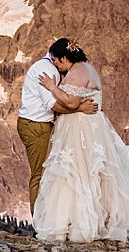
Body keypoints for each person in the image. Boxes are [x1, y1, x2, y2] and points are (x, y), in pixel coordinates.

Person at [30, 41, 129, 242]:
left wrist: (52, 87)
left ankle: (80, 224)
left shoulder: (78, 71)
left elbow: (71, 102)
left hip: (80, 129)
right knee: (92, 173)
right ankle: (94, 220)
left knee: (78, 173)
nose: (56, 65)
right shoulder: (86, 69)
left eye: (56, 61)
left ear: (65, 58)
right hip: (91, 127)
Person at [16, 37, 97, 210]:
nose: (57, 65)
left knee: (51, 172)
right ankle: (39, 221)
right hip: (36, 125)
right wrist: (79, 108)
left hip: (42, 125)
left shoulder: (59, 69)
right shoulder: (47, 71)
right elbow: (52, 104)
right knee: (40, 174)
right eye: (55, 61)